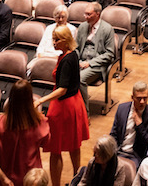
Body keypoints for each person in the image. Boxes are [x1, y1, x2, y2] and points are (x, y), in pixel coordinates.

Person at [38, 25, 90, 186]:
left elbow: (62, 89)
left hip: (64, 106)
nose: (54, 43)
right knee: (74, 144)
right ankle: (77, 177)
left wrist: (40, 100)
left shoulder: (67, 59)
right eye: (54, 39)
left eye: (58, 40)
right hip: (75, 103)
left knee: (56, 148)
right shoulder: (71, 54)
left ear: (67, 41)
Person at [0, 80, 53, 186]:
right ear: (30, 99)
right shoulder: (40, 122)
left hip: (4, 180)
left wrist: (4, 179)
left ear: (11, 99)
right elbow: (46, 143)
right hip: (30, 180)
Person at [75, 1, 116, 105]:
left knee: (79, 79)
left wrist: (89, 63)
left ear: (97, 14)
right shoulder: (82, 27)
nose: (85, 17)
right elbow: (75, 47)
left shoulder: (107, 29)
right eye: (85, 14)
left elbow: (109, 54)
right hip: (80, 63)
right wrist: (77, 61)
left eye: (89, 14)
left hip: (96, 66)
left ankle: (84, 113)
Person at [111, 82, 148, 163]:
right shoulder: (122, 109)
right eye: (139, 98)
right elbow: (114, 134)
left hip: (135, 156)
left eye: (145, 98)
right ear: (132, 97)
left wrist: (140, 125)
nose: (142, 101)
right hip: (118, 151)